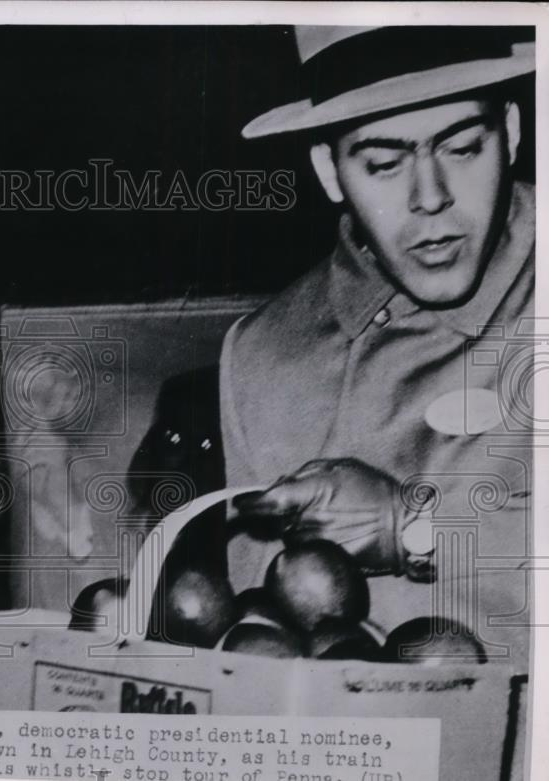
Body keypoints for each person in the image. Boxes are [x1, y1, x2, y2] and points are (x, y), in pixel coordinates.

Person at [223, 25, 535, 670]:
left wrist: (411, 529)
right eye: (385, 163)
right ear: (328, 171)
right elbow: (265, 640)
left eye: (464, 147)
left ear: (512, 131)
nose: (430, 198)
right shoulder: (262, 355)